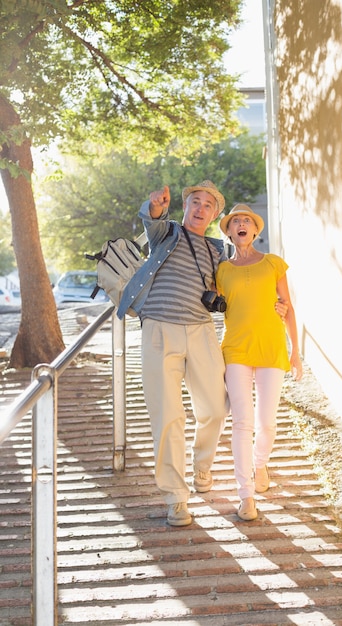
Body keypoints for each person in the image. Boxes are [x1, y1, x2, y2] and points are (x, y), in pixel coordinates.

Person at [118, 181, 229, 527]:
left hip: (201, 333)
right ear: (186, 206)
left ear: (214, 214)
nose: (200, 207)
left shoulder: (219, 250)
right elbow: (151, 222)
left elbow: (236, 288)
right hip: (159, 330)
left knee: (215, 407)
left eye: (208, 204)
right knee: (168, 416)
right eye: (195, 201)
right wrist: (155, 205)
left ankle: (202, 465)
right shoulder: (168, 234)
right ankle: (175, 497)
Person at [216, 204, 303, 521]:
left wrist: (295, 351)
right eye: (235, 221)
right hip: (236, 350)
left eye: (247, 221)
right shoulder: (221, 271)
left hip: (270, 347)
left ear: (255, 231)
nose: (241, 225)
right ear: (228, 231)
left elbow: (287, 307)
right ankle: (245, 494)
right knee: (242, 422)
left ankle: (260, 462)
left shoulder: (273, 264)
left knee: (266, 422)